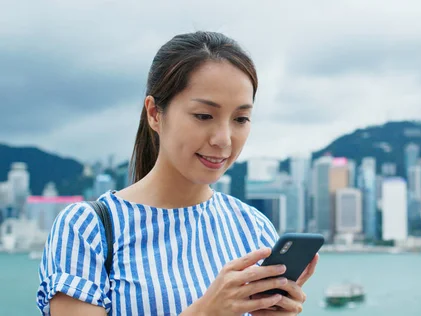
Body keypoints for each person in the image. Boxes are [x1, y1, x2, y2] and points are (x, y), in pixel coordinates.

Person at [36, 31, 318, 316]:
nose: (224, 139)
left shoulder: (253, 229)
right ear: (155, 114)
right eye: (204, 116)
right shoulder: (87, 229)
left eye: (241, 119)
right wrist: (206, 312)